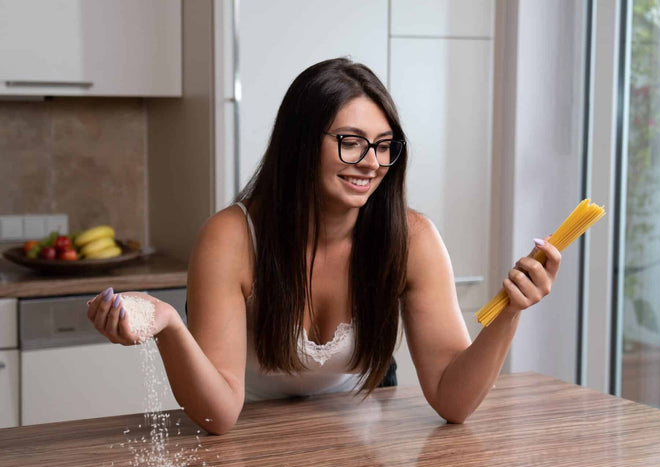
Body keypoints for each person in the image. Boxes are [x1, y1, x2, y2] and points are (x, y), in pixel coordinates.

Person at [85, 58, 561, 435]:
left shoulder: (413, 239)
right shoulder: (231, 238)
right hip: (254, 437)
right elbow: (219, 417)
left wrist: (510, 313)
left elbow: (453, 402)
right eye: (350, 142)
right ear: (300, 144)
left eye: (383, 145)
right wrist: (170, 324)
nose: (371, 163)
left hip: (362, 440)